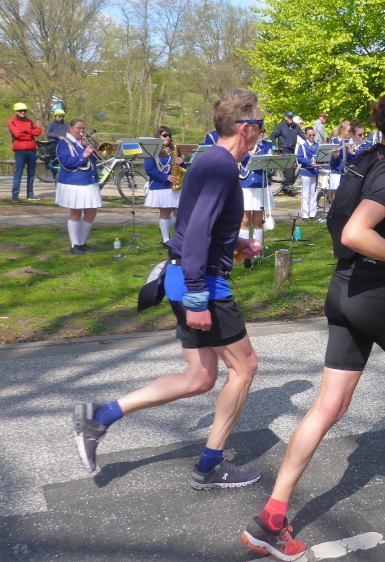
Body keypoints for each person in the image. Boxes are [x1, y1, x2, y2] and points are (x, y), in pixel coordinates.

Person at [240, 85, 385, 561]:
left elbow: (370, 219)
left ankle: (271, 519)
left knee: (329, 405)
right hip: (379, 296)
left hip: (343, 291)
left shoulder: (365, 159)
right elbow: (354, 232)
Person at [72, 89, 265, 492]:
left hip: (181, 276)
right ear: (245, 127)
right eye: (261, 126)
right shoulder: (221, 166)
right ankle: (209, 467)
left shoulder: (209, 160)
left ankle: (100, 416)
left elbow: (197, 223)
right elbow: (194, 232)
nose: (262, 134)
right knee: (245, 368)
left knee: (199, 377)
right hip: (201, 283)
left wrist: (236, 242)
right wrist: (196, 295)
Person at [54, 119, 100, 255]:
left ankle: (82, 242)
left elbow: (96, 158)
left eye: (83, 128)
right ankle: (75, 245)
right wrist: (84, 155)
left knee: (91, 214)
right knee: (76, 213)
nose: (82, 131)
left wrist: (91, 149)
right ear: (71, 128)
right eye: (79, 128)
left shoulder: (84, 142)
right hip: (74, 182)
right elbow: (65, 162)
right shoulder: (63, 143)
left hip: (89, 181)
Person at [144, 126, 185, 246]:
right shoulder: (152, 149)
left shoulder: (174, 149)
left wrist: (182, 162)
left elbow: (182, 167)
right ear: (158, 136)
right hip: (161, 186)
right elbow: (149, 169)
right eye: (165, 135)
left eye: (169, 135)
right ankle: (166, 240)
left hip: (175, 185)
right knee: (165, 213)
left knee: (180, 212)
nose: (168, 138)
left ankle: (164, 228)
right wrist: (165, 177)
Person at [239, 127, 274, 261]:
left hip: (260, 184)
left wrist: (256, 155)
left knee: (258, 221)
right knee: (245, 220)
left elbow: (268, 162)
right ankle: (243, 253)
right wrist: (248, 151)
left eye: (262, 132)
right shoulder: (244, 143)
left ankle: (257, 253)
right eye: (258, 132)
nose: (261, 134)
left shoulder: (267, 145)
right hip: (246, 185)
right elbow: (241, 160)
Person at [8, 102, 42, 202]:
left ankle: (30, 194)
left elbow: (38, 131)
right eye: (20, 111)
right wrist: (30, 135)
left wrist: (27, 132)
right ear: (16, 112)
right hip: (20, 150)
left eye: (24, 111)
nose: (23, 112)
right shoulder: (12, 122)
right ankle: (15, 195)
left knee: (31, 173)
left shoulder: (30, 121)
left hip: (32, 150)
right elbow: (17, 134)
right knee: (18, 173)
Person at [270, 111, 305, 187]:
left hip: (292, 149)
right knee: (290, 165)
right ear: (285, 118)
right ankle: (288, 184)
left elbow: (302, 135)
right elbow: (273, 135)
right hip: (283, 149)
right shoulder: (281, 126)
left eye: (291, 117)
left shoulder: (295, 126)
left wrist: (310, 141)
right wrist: (273, 146)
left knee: (294, 167)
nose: (290, 119)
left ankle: (287, 185)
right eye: (289, 117)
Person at [296, 126, 319, 220]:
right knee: (306, 194)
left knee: (314, 193)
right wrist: (309, 162)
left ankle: (312, 213)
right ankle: (305, 214)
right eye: (310, 135)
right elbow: (299, 157)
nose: (312, 137)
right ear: (305, 135)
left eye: (313, 135)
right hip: (306, 171)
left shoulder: (317, 145)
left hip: (315, 172)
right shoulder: (302, 146)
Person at [327, 119, 351, 200]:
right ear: (342, 131)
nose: (350, 133)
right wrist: (335, 156)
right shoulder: (333, 141)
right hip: (336, 170)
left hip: (347, 171)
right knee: (335, 193)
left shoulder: (351, 141)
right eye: (348, 131)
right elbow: (328, 157)